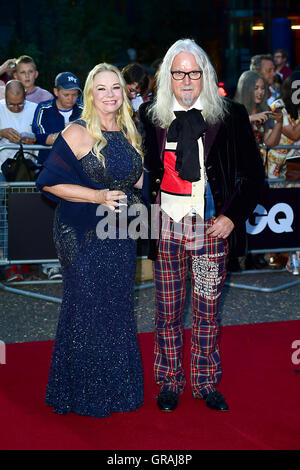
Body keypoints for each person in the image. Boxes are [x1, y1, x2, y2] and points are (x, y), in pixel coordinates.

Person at [139, 38, 265, 412]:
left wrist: (231, 217)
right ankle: (169, 381)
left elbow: (255, 178)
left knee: (208, 310)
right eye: (179, 73)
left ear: (205, 75)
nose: (187, 80)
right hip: (165, 228)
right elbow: (142, 173)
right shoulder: (150, 116)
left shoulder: (231, 115)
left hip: (210, 230)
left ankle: (205, 382)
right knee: (167, 311)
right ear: (169, 77)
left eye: (194, 72)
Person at [36, 62, 144, 418]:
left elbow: (139, 179)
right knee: (85, 308)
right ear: (90, 94)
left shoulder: (131, 130)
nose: (110, 94)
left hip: (120, 233)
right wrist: (98, 197)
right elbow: (49, 183)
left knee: (116, 308)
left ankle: (114, 389)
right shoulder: (77, 132)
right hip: (80, 233)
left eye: (116, 87)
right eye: (102, 88)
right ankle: (80, 393)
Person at [32, 71, 83, 280]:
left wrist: (60, 137)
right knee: (50, 219)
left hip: (77, 173)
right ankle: (52, 264)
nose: (70, 98)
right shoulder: (43, 108)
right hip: (50, 172)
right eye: (66, 94)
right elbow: (42, 137)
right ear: (56, 92)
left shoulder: (83, 109)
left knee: (77, 219)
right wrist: (71, 135)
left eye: (74, 94)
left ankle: (76, 263)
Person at [233, 70, 283, 270]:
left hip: (257, 171)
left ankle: (254, 255)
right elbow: (230, 128)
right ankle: (235, 257)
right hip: (238, 172)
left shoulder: (264, 113)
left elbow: (271, 141)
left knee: (257, 214)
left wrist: (279, 122)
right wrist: (252, 118)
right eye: (256, 88)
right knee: (238, 215)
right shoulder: (236, 110)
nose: (260, 92)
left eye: (263, 88)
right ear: (246, 89)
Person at [0, 80, 38, 281]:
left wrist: (33, 139)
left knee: (27, 214)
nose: (15, 108)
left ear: (25, 97)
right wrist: (2, 133)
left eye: (19, 104)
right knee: (5, 217)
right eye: (11, 104)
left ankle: (26, 263)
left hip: (28, 169)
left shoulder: (34, 109)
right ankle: (10, 265)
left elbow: (43, 134)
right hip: (3, 168)